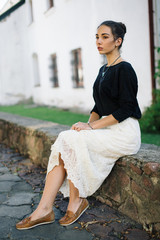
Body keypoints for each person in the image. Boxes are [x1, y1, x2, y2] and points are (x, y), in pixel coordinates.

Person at [16, 20, 141, 230]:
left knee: (69, 138)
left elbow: (126, 109)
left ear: (118, 41)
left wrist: (91, 128)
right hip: (106, 129)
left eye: (105, 37)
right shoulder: (104, 70)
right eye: (97, 37)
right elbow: (98, 106)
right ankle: (45, 208)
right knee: (70, 137)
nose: (99, 41)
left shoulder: (125, 69)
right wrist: (86, 125)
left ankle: (69, 203)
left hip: (124, 132)